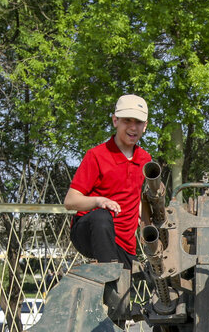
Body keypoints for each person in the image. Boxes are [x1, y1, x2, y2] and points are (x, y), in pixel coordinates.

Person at [63, 94, 152, 267]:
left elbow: (133, 197)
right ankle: (108, 272)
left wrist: (146, 221)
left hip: (123, 241)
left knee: (124, 288)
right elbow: (70, 201)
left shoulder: (145, 159)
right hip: (90, 231)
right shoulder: (96, 155)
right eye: (127, 120)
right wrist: (99, 201)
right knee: (101, 217)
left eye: (138, 122)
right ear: (115, 121)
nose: (133, 127)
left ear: (145, 126)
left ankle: (113, 279)